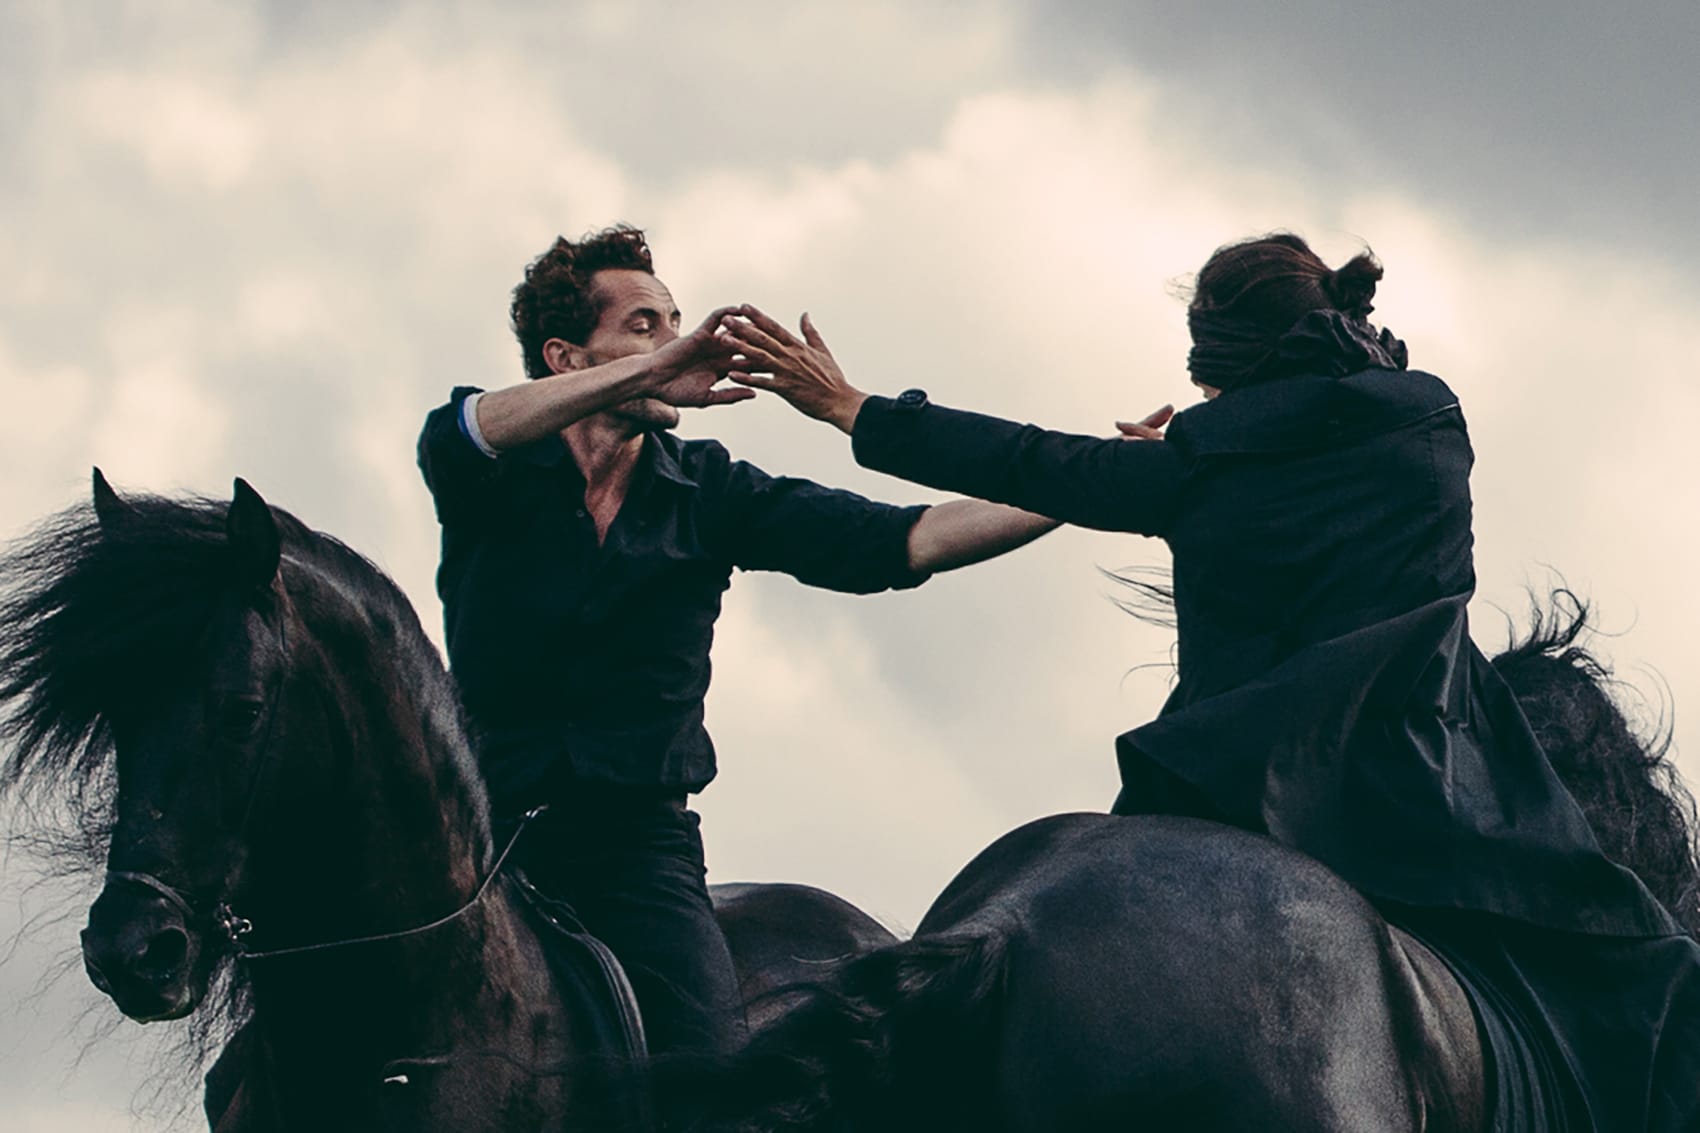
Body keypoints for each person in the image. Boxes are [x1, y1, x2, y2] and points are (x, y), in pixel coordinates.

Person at [715, 233, 1700, 1132]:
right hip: (1414, 815)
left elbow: (1030, 459)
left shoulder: (1193, 463)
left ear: (1211, 367)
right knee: (1658, 972)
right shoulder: (1429, 423)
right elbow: (1332, 424)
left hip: (1215, 806)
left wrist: (855, 408)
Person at [415, 224, 1057, 1059]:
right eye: (645, 323)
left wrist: (1083, 485)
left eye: (673, 320)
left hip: (638, 851)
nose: (676, 342)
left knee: (711, 1074)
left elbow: (914, 539)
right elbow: (468, 425)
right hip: (477, 839)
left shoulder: (709, 490)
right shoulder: (491, 464)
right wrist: (654, 367)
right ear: (566, 358)